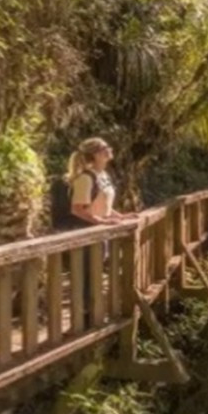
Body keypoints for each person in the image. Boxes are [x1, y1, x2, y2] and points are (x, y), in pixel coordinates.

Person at [64, 137, 136, 327]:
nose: (109, 150)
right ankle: (84, 320)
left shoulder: (102, 175)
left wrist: (119, 216)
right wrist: (101, 221)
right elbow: (78, 209)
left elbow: (101, 203)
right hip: (88, 234)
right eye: (105, 148)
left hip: (101, 232)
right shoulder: (85, 178)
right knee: (87, 277)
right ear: (95, 154)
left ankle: (93, 315)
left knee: (95, 274)